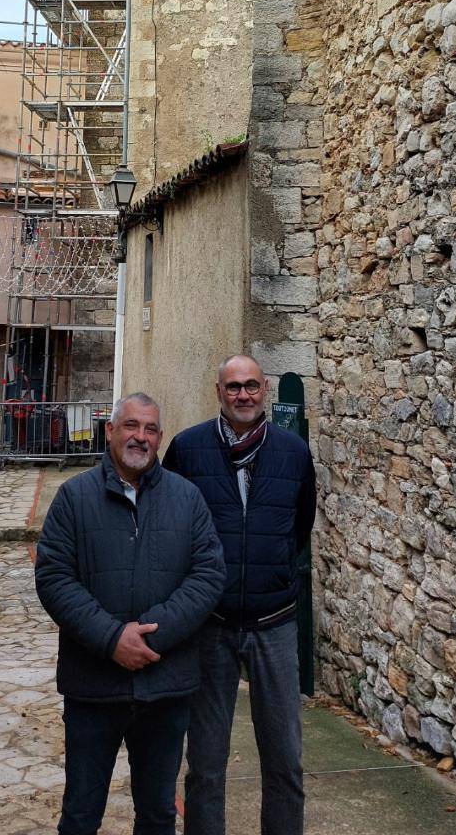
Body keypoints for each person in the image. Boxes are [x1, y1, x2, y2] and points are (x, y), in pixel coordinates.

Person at [35, 392, 226, 835]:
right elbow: (54, 579)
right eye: (131, 426)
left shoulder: (187, 499)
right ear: (111, 431)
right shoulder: (73, 498)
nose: (141, 437)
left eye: (151, 429)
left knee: (159, 814)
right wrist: (111, 638)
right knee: (81, 814)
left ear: (160, 438)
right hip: (94, 687)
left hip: (165, 688)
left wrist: (150, 639)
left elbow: (207, 576)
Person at [162, 355, 317, 835]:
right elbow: (172, 528)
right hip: (212, 628)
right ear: (218, 392)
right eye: (234, 387)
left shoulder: (293, 452)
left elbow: (300, 527)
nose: (243, 395)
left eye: (251, 386)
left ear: (265, 388)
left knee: (285, 762)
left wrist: (270, 576)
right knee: (206, 764)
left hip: (276, 624)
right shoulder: (187, 450)